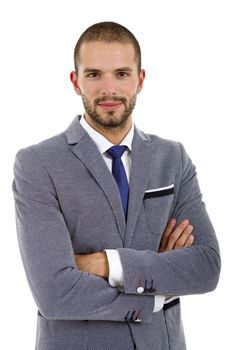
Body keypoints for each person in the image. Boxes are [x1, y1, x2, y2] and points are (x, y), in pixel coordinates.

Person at [12, 21, 220, 350]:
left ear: (140, 80)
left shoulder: (173, 158)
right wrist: (156, 292)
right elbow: (54, 292)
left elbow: (206, 267)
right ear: (75, 81)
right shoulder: (38, 164)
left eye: (121, 74)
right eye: (94, 74)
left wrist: (109, 264)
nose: (109, 89)